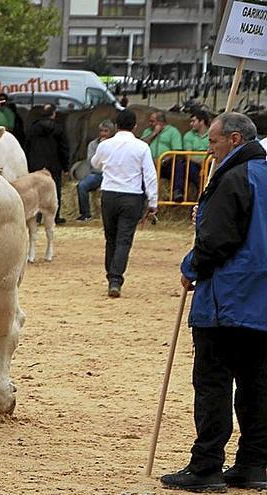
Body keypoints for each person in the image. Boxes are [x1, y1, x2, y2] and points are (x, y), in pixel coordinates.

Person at [161, 112, 267, 493]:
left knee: (213, 383)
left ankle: (206, 466)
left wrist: (191, 266)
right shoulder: (260, 174)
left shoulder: (232, 177)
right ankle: (255, 464)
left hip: (228, 299)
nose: (210, 149)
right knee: (257, 384)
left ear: (234, 139)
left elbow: (218, 241)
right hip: (262, 301)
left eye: (213, 142)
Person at [91, 109, 157, 298]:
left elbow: (95, 164)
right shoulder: (142, 147)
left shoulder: (106, 144)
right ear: (135, 126)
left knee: (110, 237)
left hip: (109, 194)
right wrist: (153, 201)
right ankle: (115, 278)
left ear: (116, 125)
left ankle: (111, 275)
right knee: (124, 239)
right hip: (132, 196)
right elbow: (150, 176)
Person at [26, 104, 70, 224]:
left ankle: (37, 216)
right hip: (54, 164)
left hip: (36, 164)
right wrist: (66, 166)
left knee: (36, 190)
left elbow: (27, 147)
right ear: (53, 114)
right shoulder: (59, 129)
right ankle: (54, 216)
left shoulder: (32, 128)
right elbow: (63, 148)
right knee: (55, 190)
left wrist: (29, 164)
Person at [76, 119, 117, 221]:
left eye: (106, 131)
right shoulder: (93, 144)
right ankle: (86, 214)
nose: (103, 133)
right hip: (97, 173)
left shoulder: (116, 144)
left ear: (111, 132)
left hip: (112, 174)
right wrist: (101, 148)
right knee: (82, 185)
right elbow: (91, 161)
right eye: (101, 131)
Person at [140, 111, 183, 199]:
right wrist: (154, 134)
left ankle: (177, 191)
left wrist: (163, 160)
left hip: (166, 164)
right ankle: (140, 195)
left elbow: (177, 151)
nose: (149, 124)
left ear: (160, 122)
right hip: (150, 164)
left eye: (152, 121)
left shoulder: (173, 131)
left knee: (179, 164)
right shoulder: (147, 131)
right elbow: (141, 145)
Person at [171, 110, 210, 202]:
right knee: (185, 165)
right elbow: (188, 154)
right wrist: (202, 161)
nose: (191, 124)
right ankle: (179, 192)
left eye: (193, 121)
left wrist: (206, 161)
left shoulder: (212, 134)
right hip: (194, 163)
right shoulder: (188, 136)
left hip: (210, 163)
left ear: (202, 121)